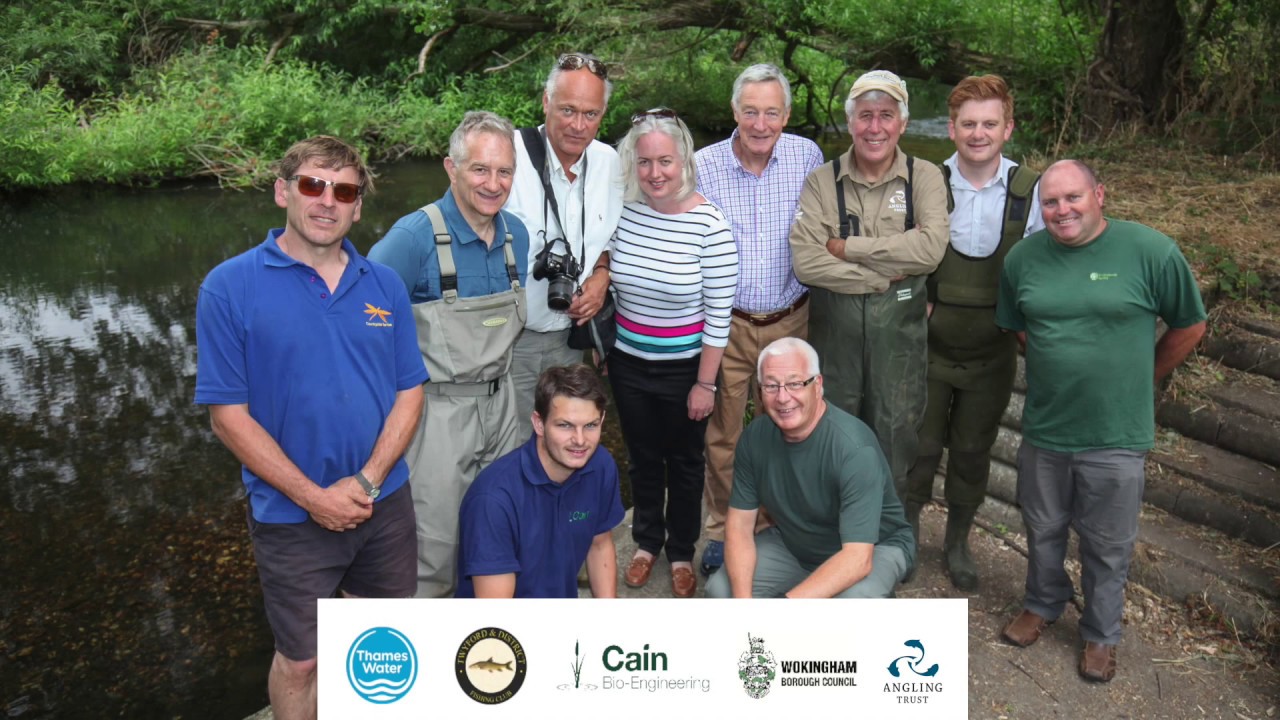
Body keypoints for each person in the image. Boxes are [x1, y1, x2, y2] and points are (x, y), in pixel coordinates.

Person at [195, 136, 426, 720]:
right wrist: (314, 498)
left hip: (382, 503)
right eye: (313, 185)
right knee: (302, 661)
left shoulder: (384, 285)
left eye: (344, 191)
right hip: (289, 514)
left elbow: (410, 392)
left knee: (380, 640)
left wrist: (367, 481)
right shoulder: (229, 286)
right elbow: (227, 417)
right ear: (283, 192)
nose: (328, 201)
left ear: (358, 207)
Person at [995, 160, 1206, 682]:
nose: (1062, 210)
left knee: (1108, 542)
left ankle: (1100, 632)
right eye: (1050, 202)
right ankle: (1042, 602)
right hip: (1047, 426)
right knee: (1042, 526)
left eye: (1073, 197)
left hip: (1116, 430)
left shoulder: (1150, 251)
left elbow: (1190, 324)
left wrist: (1143, 375)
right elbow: (1018, 327)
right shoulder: (1023, 259)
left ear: (1099, 196)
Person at [368, 111, 529, 598]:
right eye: (480, 169)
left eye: (504, 171)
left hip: (503, 407)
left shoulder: (516, 236)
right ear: (451, 168)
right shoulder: (412, 238)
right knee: (433, 547)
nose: (493, 184)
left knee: (499, 530)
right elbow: (364, 326)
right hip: (436, 415)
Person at [903, 74, 1044, 590]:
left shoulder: (1032, 192)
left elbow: (1048, 267)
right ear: (951, 129)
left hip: (991, 351)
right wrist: (916, 299)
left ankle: (957, 541)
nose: (978, 133)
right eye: (968, 124)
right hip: (928, 349)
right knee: (919, 445)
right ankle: (906, 533)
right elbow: (899, 253)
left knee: (971, 450)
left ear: (1008, 128)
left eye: (989, 123)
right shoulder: (924, 181)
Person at [790, 69, 949, 503]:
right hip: (834, 347)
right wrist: (878, 276)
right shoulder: (822, 181)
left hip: (899, 351)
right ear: (849, 122)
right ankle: (831, 531)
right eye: (865, 115)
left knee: (895, 442)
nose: (874, 127)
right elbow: (806, 262)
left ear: (903, 123)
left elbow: (929, 251)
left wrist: (846, 248)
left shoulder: (925, 177)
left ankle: (888, 530)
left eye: (886, 115)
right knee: (830, 438)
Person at [694, 63, 824, 578]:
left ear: (786, 115)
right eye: (750, 111)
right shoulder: (704, 165)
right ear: (734, 111)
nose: (761, 124)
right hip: (726, 324)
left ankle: (779, 523)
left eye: (772, 113)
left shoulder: (806, 156)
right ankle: (720, 530)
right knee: (724, 432)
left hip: (791, 319)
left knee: (789, 427)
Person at [609, 108, 739, 598]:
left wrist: (705, 383)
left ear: (684, 160)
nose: (655, 172)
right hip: (627, 362)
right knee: (642, 458)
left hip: (686, 369)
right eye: (645, 162)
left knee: (684, 462)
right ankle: (646, 542)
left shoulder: (711, 226)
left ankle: (681, 551)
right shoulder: (624, 212)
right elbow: (606, 273)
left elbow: (719, 317)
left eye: (665, 161)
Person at [705, 337, 915, 599]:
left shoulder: (854, 449)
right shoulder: (755, 437)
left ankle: (871, 596)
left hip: (872, 547)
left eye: (795, 383)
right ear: (760, 391)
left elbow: (857, 558)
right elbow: (739, 526)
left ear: (818, 385)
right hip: (796, 545)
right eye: (771, 385)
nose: (783, 397)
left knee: (852, 602)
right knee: (722, 591)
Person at [506, 52, 624, 440]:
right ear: (546, 102)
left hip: (572, 340)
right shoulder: (507, 155)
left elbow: (608, 238)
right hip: (511, 340)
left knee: (567, 443)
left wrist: (602, 274)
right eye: (568, 110)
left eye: (591, 114)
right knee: (512, 447)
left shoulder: (609, 163)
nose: (578, 125)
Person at [455, 364, 625, 598]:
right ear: (538, 423)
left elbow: (599, 545)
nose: (580, 440)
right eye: (565, 425)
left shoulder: (600, 465)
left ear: (602, 419)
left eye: (590, 425)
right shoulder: (492, 500)